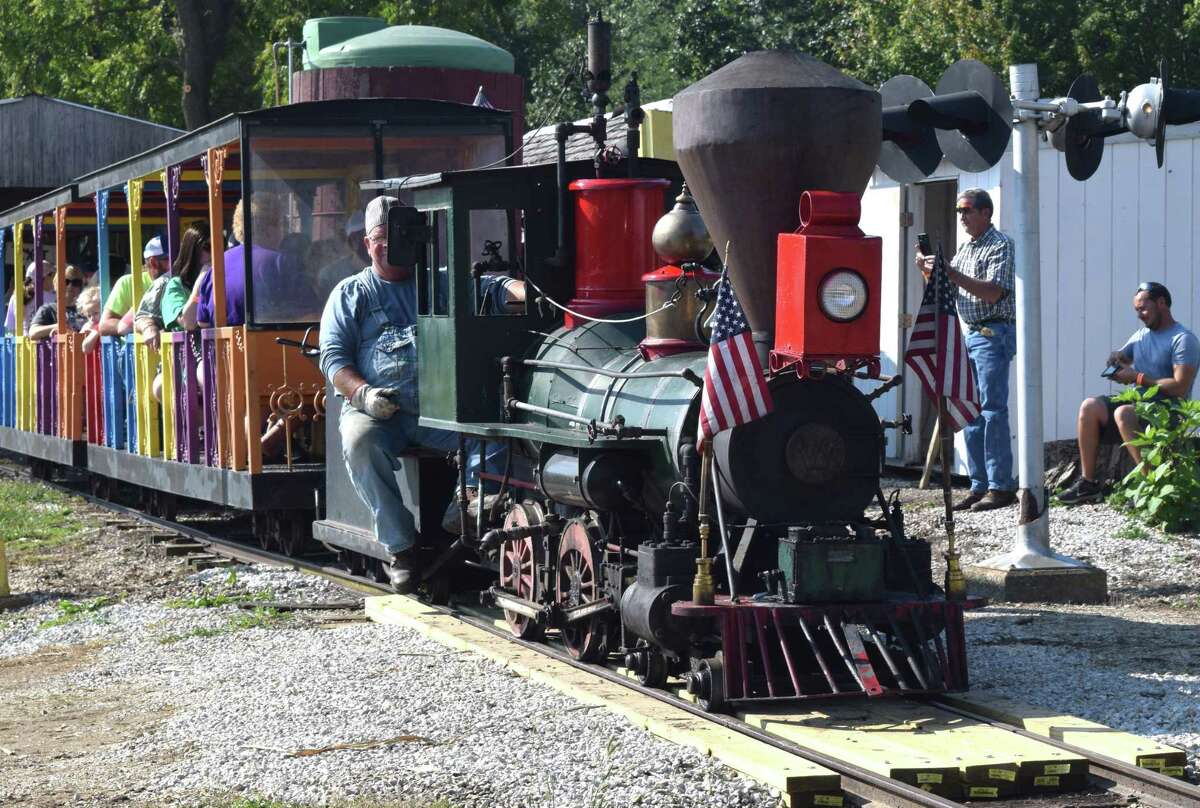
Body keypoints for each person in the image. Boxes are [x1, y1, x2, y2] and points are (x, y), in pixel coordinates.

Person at [319, 196, 505, 593]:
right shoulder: (351, 294)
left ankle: (467, 509)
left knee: (494, 432)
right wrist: (364, 395)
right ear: (367, 244)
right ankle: (402, 548)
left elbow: (494, 288)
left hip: (440, 412)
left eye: (397, 236)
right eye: (380, 237)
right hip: (379, 413)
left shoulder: (440, 282)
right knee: (358, 440)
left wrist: (526, 289)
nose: (388, 245)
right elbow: (334, 362)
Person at [916, 188, 1017, 512]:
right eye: (959, 211)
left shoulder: (1000, 244)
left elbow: (992, 293)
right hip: (970, 333)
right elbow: (948, 287)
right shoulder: (965, 249)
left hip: (992, 331)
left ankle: (1000, 486)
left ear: (986, 213)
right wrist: (928, 272)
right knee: (970, 410)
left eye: (967, 210)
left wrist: (951, 272)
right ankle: (979, 485)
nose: (961, 216)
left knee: (992, 409)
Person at [1058, 282, 1200, 505]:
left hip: (1167, 412)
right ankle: (1088, 484)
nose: (1140, 315)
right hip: (1139, 406)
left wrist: (1137, 378)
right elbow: (1124, 356)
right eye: (1137, 310)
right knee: (1089, 406)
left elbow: (1180, 385)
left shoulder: (1183, 340)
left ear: (1161, 303)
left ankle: (1152, 486)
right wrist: (1116, 359)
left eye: (1144, 309)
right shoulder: (1142, 335)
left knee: (1124, 412)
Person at [195, 195, 316, 328]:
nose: (284, 232)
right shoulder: (281, 262)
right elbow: (312, 315)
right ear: (270, 230)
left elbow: (202, 321)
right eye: (283, 224)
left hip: (225, 347)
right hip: (271, 347)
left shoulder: (217, 265)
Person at [99, 236, 168, 337]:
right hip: (133, 350)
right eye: (171, 259)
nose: (178, 264)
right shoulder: (127, 282)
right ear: (154, 262)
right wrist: (138, 325)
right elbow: (104, 325)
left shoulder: (180, 281)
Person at [28, 266, 88, 340]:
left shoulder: (88, 309)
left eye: (76, 283)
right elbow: (33, 332)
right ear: (56, 285)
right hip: (58, 350)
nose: (70, 286)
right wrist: (57, 326)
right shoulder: (48, 309)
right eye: (65, 282)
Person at [5, 260, 55, 334]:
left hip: (23, 343)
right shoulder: (52, 297)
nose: (54, 279)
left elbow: (10, 328)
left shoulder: (16, 296)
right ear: (42, 278)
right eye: (52, 275)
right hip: (45, 343)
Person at [79, 287, 103, 354]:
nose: (92, 318)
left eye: (96, 313)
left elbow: (86, 348)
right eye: (89, 315)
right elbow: (78, 344)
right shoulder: (88, 325)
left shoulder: (102, 325)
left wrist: (95, 332)